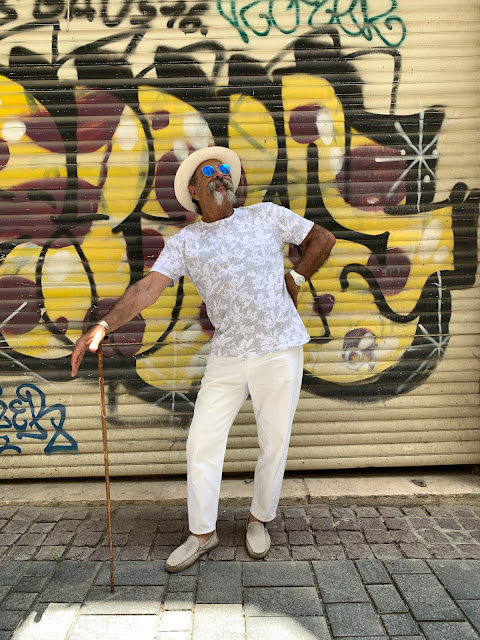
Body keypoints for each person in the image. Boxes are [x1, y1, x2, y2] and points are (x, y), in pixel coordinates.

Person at [71, 146, 335, 572]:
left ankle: (258, 520)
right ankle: (202, 532)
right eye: (208, 172)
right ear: (194, 191)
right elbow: (147, 289)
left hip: (280, 346)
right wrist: (105, 326)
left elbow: (322, 238)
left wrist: (297, 276)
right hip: (228, 354)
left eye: (224, 170)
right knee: (202, 442)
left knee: (275, 440)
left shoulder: (266, 215)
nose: (219, 175)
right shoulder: (187, 242)